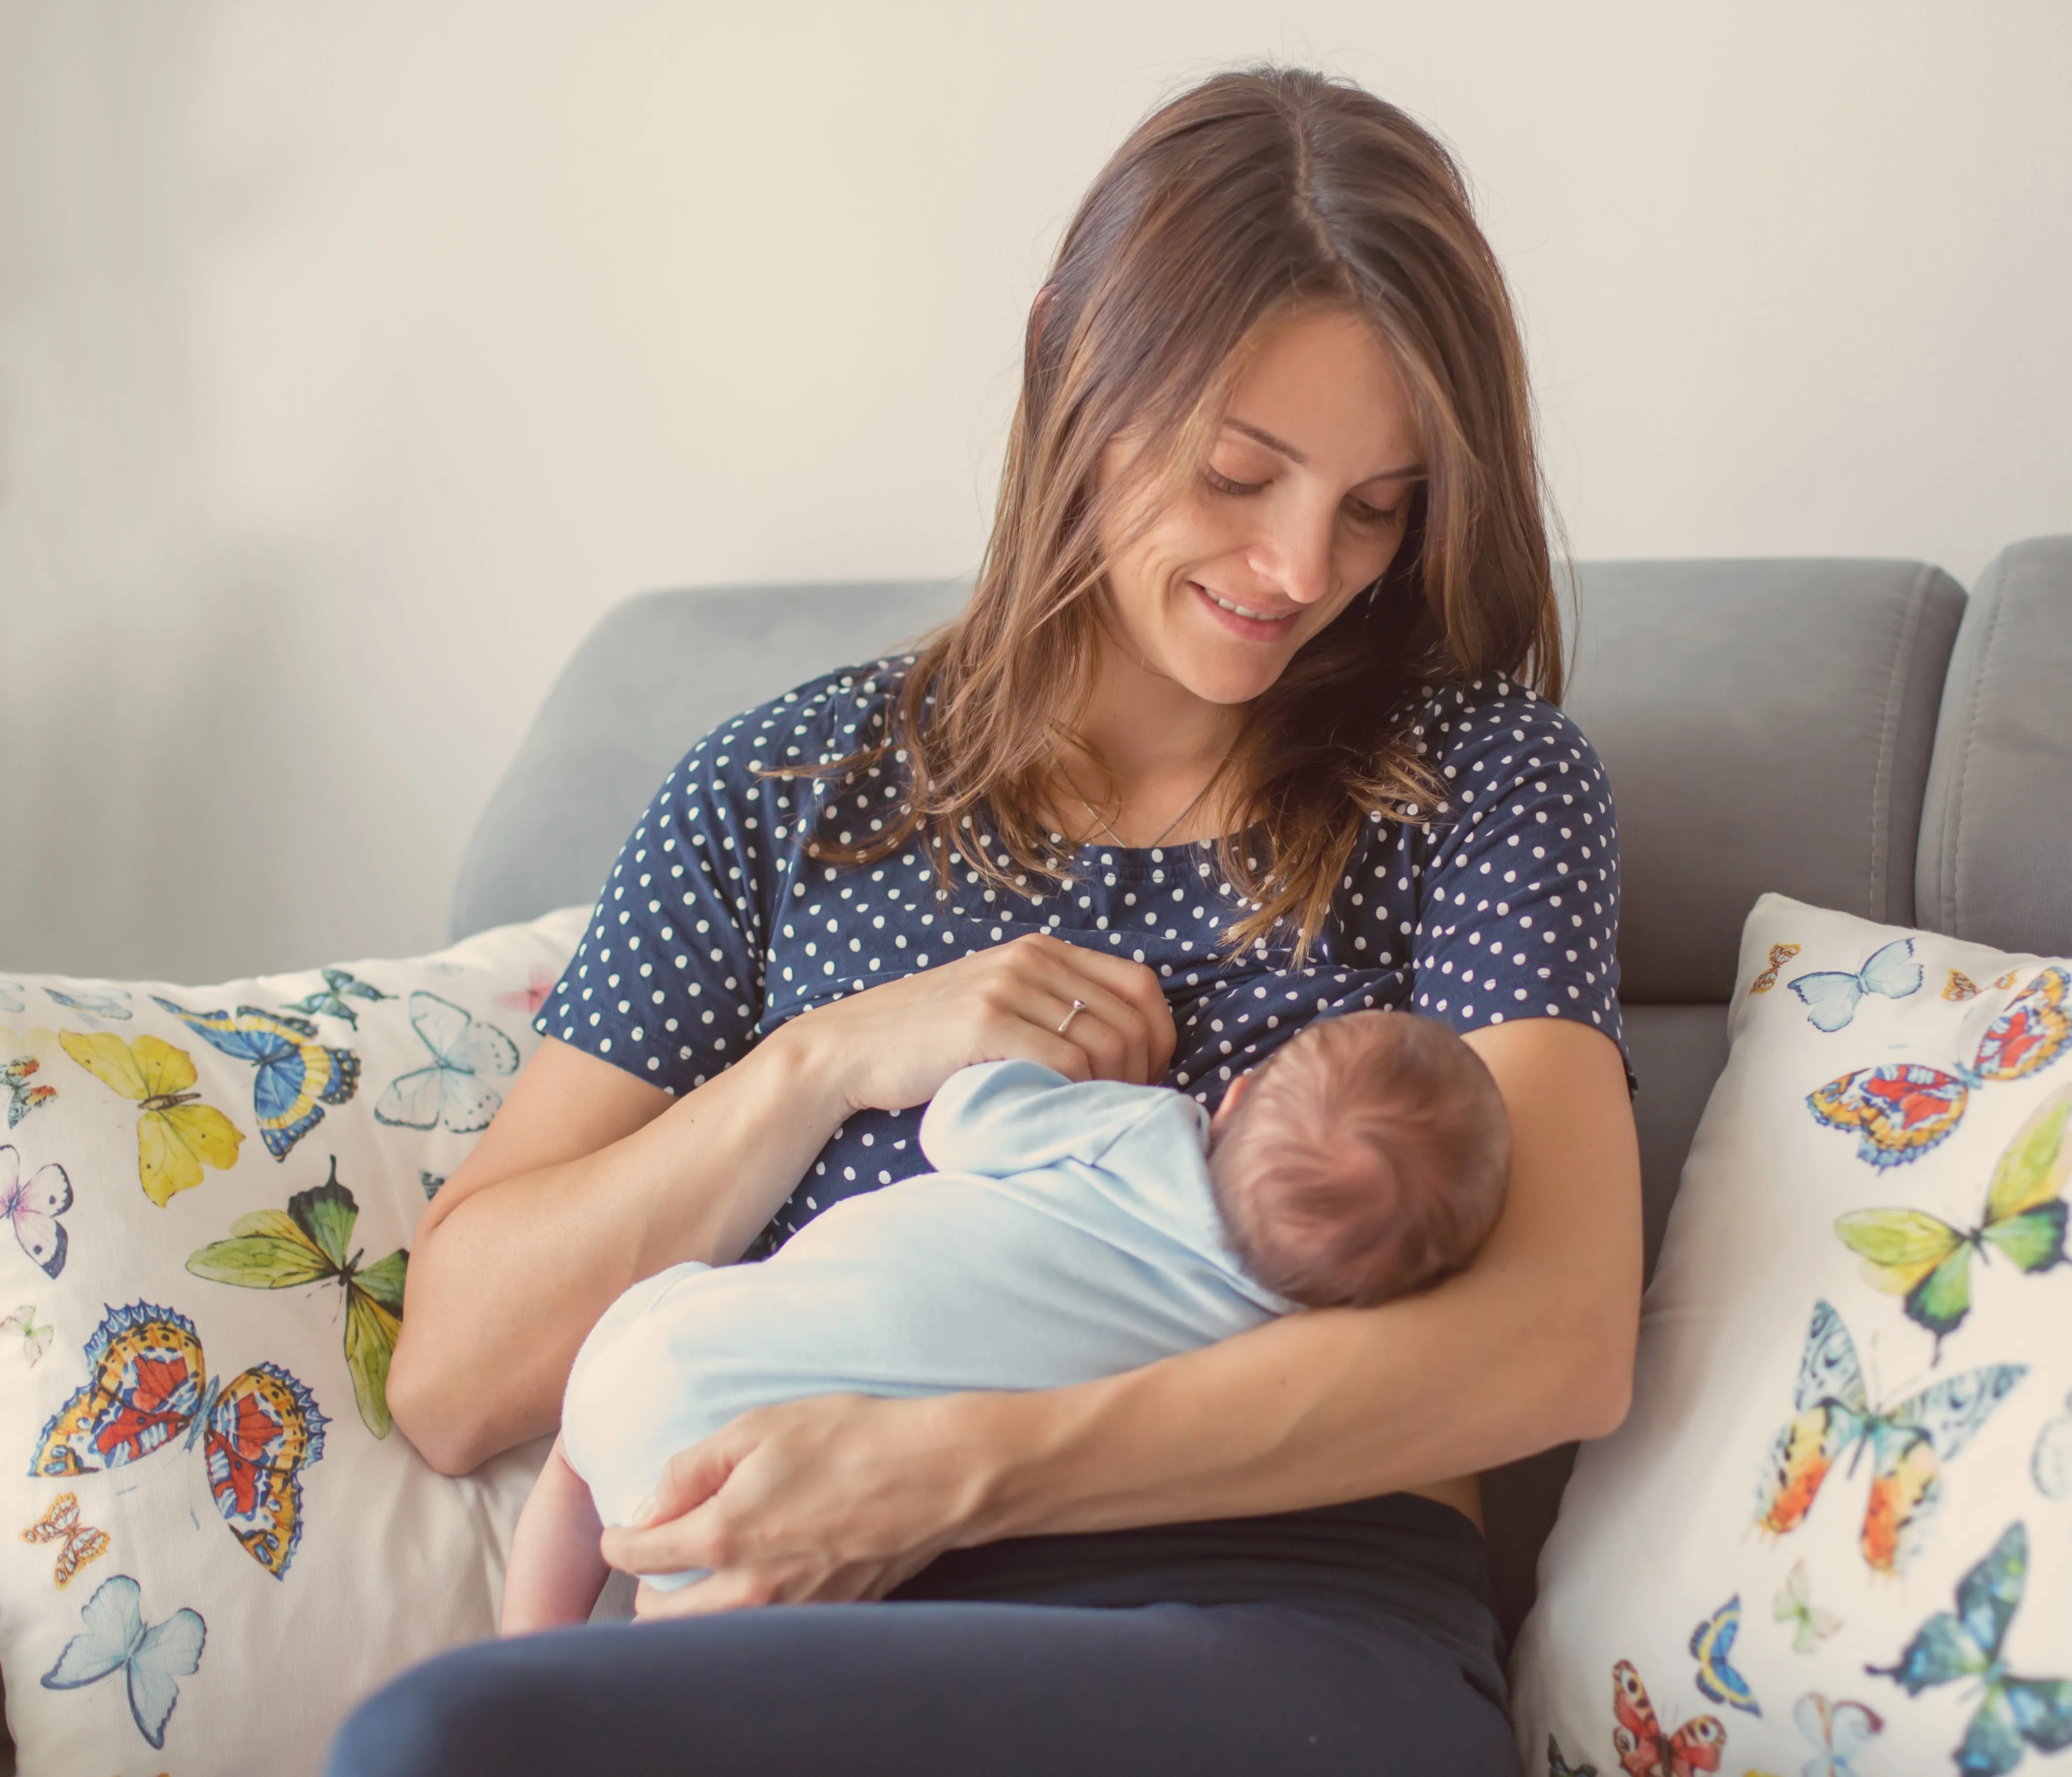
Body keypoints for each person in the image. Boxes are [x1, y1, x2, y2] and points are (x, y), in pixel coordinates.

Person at [335, 63, 1641, 1777]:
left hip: (1277, 1618)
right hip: (793, 1632)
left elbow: (1550, 1342)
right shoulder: (777, 792)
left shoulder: (1478, 781)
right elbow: (456, 1375)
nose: (1300, 568)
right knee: (444, 1739)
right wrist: (819, 1063)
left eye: (1375, 506)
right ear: (1071, 366)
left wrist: (957, 1463)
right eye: (1239, 475)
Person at [501, 1009, 1512, 1632]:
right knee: (688, 1634)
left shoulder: (1142, 1128)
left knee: (579, 1465)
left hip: (673, 1346)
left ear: (1238, 1094)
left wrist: (1080, 1083)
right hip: (764, 1489)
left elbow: (963, 1120)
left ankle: (526, 1649)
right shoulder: (1252, 1352)